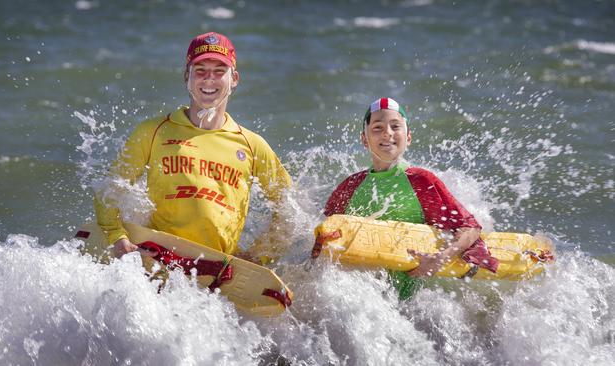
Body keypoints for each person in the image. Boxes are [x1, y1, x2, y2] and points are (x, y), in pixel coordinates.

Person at [94, 32, 292, 262]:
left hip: (219, 269)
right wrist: (116, 236)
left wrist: (260, 256)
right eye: (200, 71)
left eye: (219, 71)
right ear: (187, 76)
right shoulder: (152, 132)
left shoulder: (252, 145)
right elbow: (109, 189)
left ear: (234, 78)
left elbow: (289, 208)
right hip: (157, 258)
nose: (209, 79)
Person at [323, 97, 498, 299]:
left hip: (409, 305)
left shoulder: (421, 181)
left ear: (408, 138)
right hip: (357, 300)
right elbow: (325, 231)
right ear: (364, 139)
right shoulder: (350, 186)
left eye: (395, 126)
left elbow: (471, 228)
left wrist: (442, 258)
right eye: (378, 128)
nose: (387, 132)